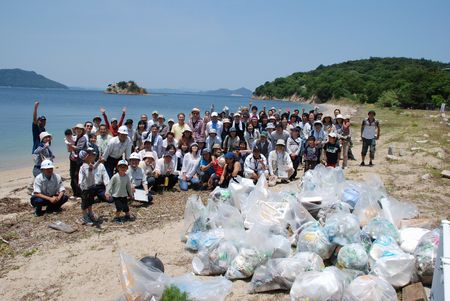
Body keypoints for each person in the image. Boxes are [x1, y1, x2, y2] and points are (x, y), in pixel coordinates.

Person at [105, 160, 135, 224]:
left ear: (127, 168)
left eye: (124, 167)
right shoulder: (115, 176)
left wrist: (130, 194)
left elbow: (128, 186)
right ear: (118, 168)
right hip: (116, 195)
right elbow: (110, 185)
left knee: (126, 206)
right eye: (121, 167)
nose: (122, 168)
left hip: (124, 194)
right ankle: (117, 217)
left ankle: (127, 215)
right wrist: (107, 193)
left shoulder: (127, 177)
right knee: (119, 207)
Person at [78, 150, 99, 226]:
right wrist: (90, 169)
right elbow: (87, 175)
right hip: (85, 188)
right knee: (85, 203)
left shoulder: (89, 165)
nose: (92, 156)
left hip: (91, 186)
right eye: (90, 155)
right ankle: (84, 216)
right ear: (86, 157)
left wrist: (99, 161)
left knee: (90, 201)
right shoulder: (84, 166)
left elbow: (94, 168)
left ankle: (90, 213)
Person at [68, 123, 88, 198]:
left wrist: (70, 146)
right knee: (72, 175)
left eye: (80, 129)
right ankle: (75, 193)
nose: (78, 130)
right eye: (77, 129)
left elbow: (79, 148)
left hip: (79, 160)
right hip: (73, 159)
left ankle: (79, 193)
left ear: (82, 130)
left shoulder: (83, 138)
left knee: (77, 176)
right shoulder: (75, 137)